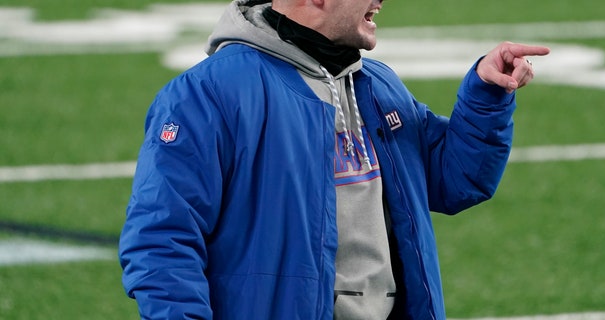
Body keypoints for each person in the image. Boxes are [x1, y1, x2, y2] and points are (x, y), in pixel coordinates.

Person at [118, 0, 550, 318]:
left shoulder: (377, 85)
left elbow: (456, 178)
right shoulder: (207, 94)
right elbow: (161, 239)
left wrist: (486, 93)